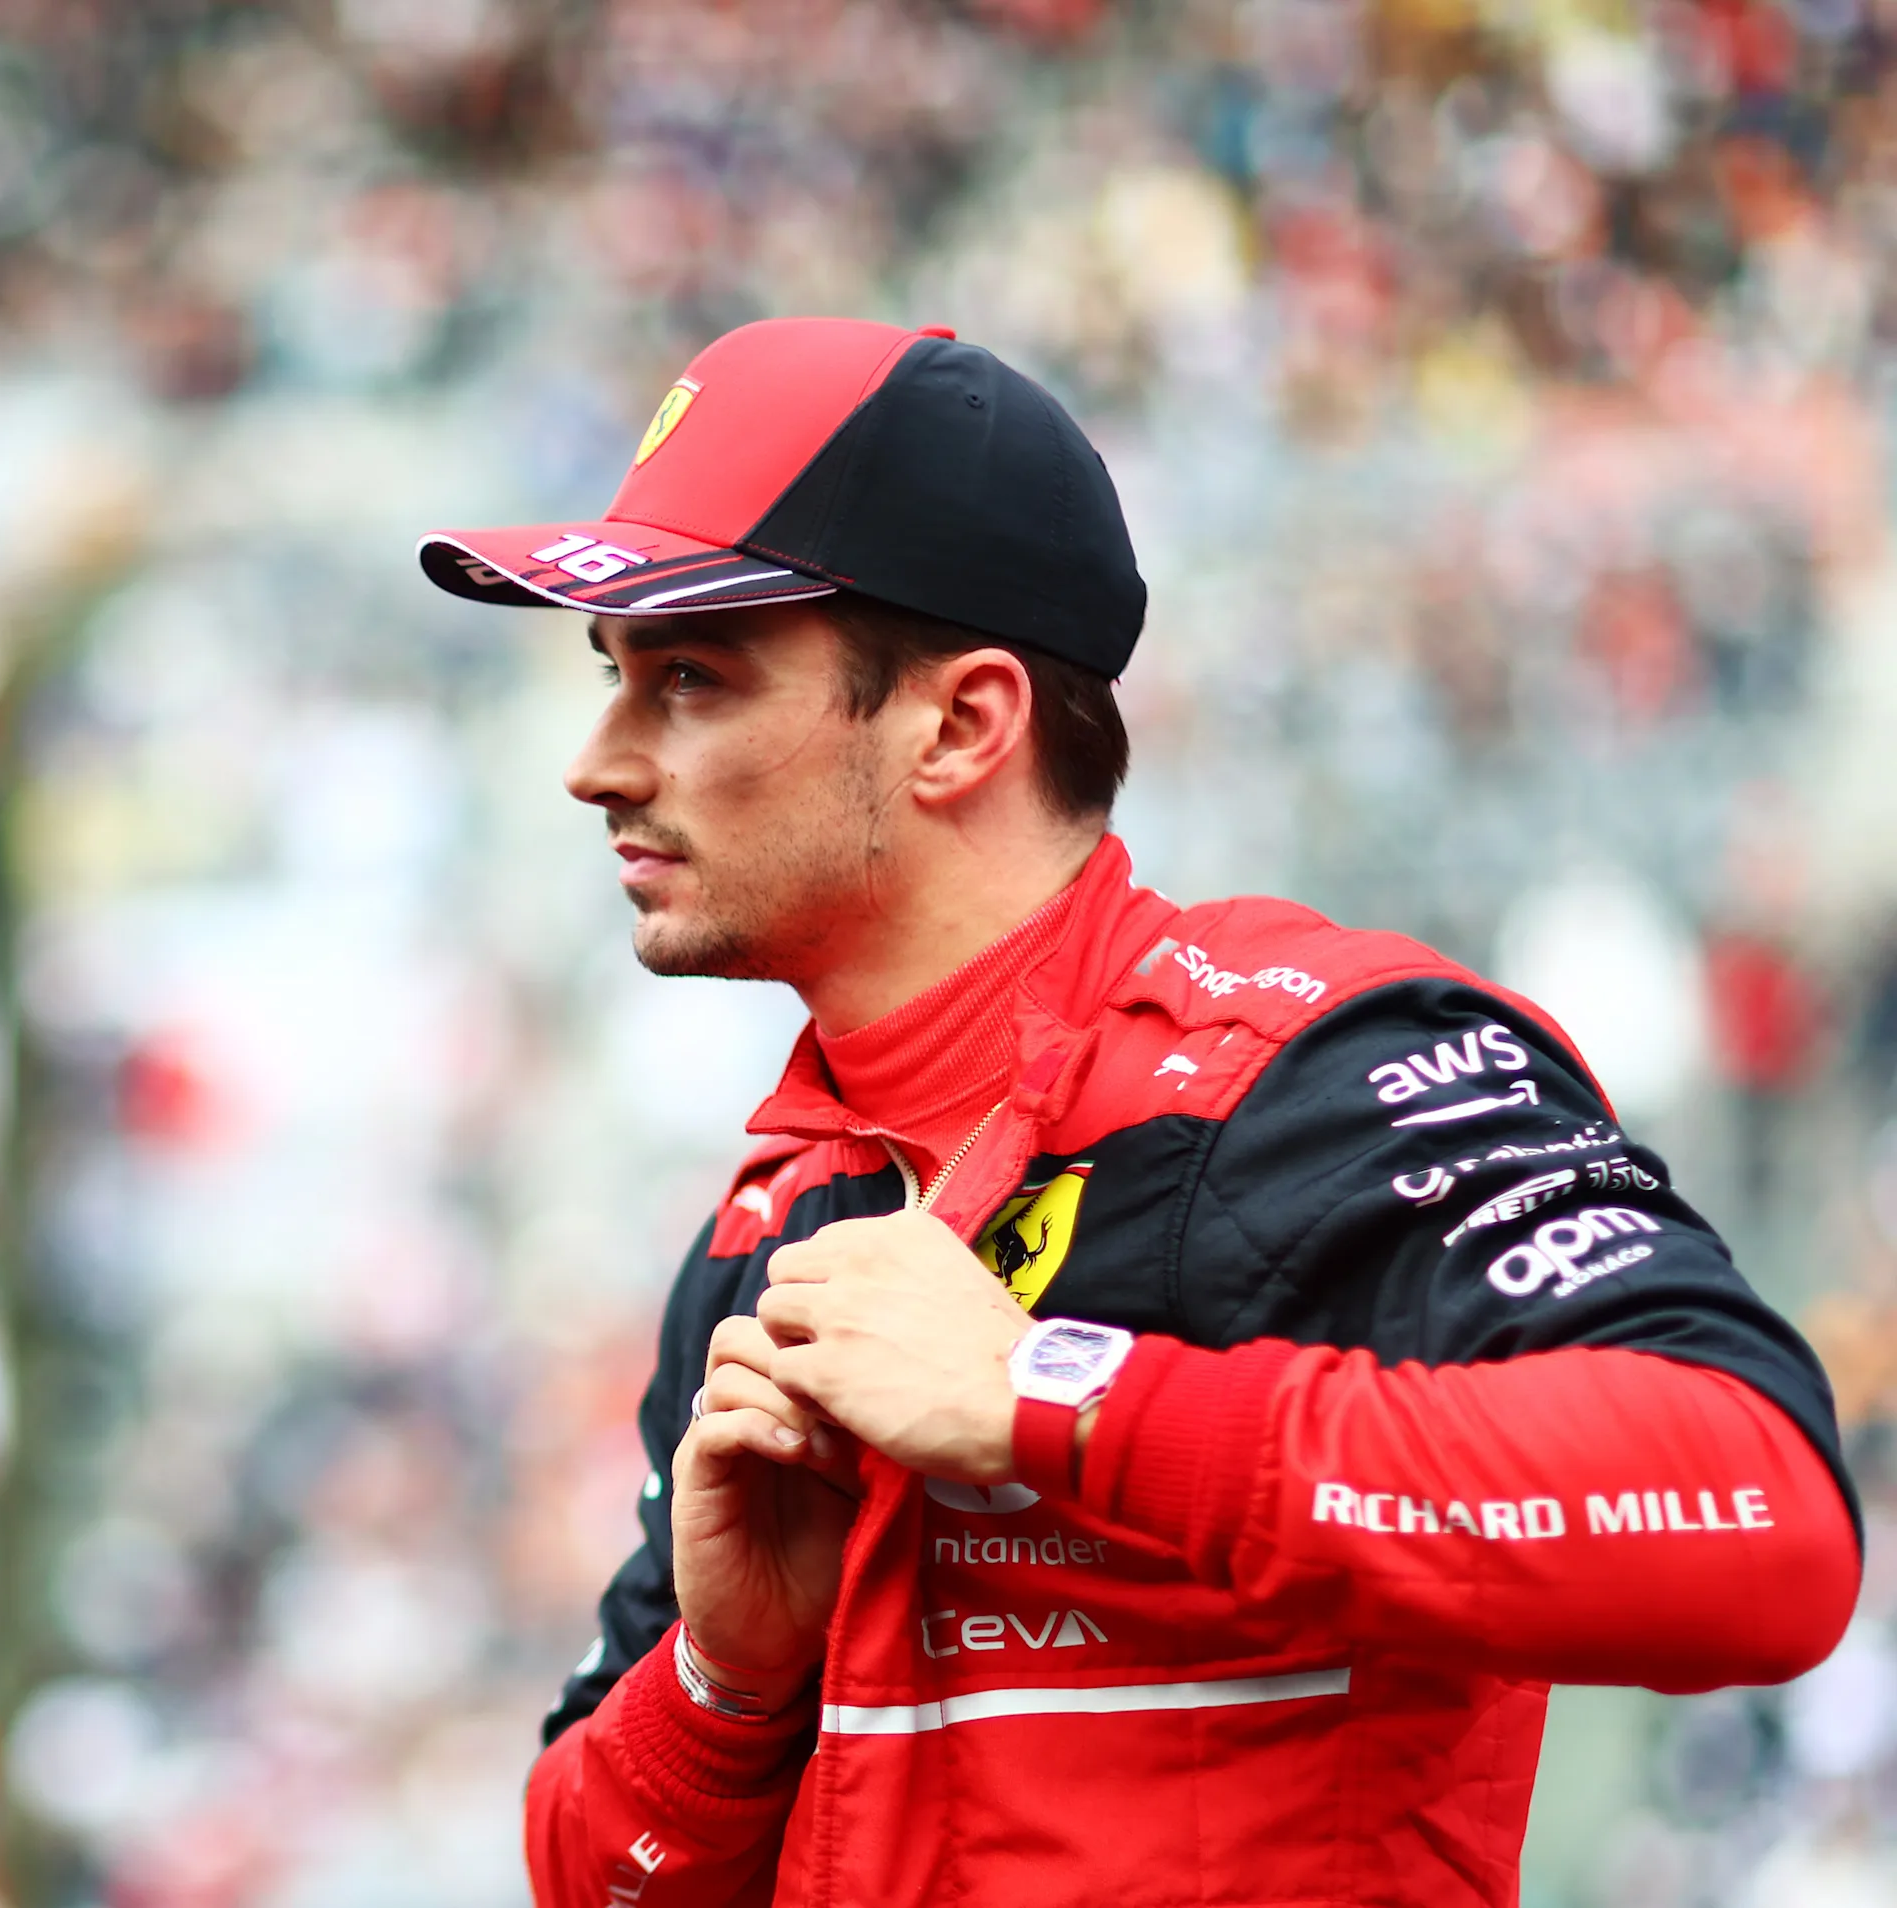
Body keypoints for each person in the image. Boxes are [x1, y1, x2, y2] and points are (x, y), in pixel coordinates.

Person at [416, 317, 1861, 1907]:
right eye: (613, 680)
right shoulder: (776, 1226)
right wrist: (732, 1681)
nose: (597, 765)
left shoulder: (1312, 1075)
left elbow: (1763, 1518)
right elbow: (594, 1878)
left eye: (687, 679)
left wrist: (1054, 1397)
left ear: (962, 725)